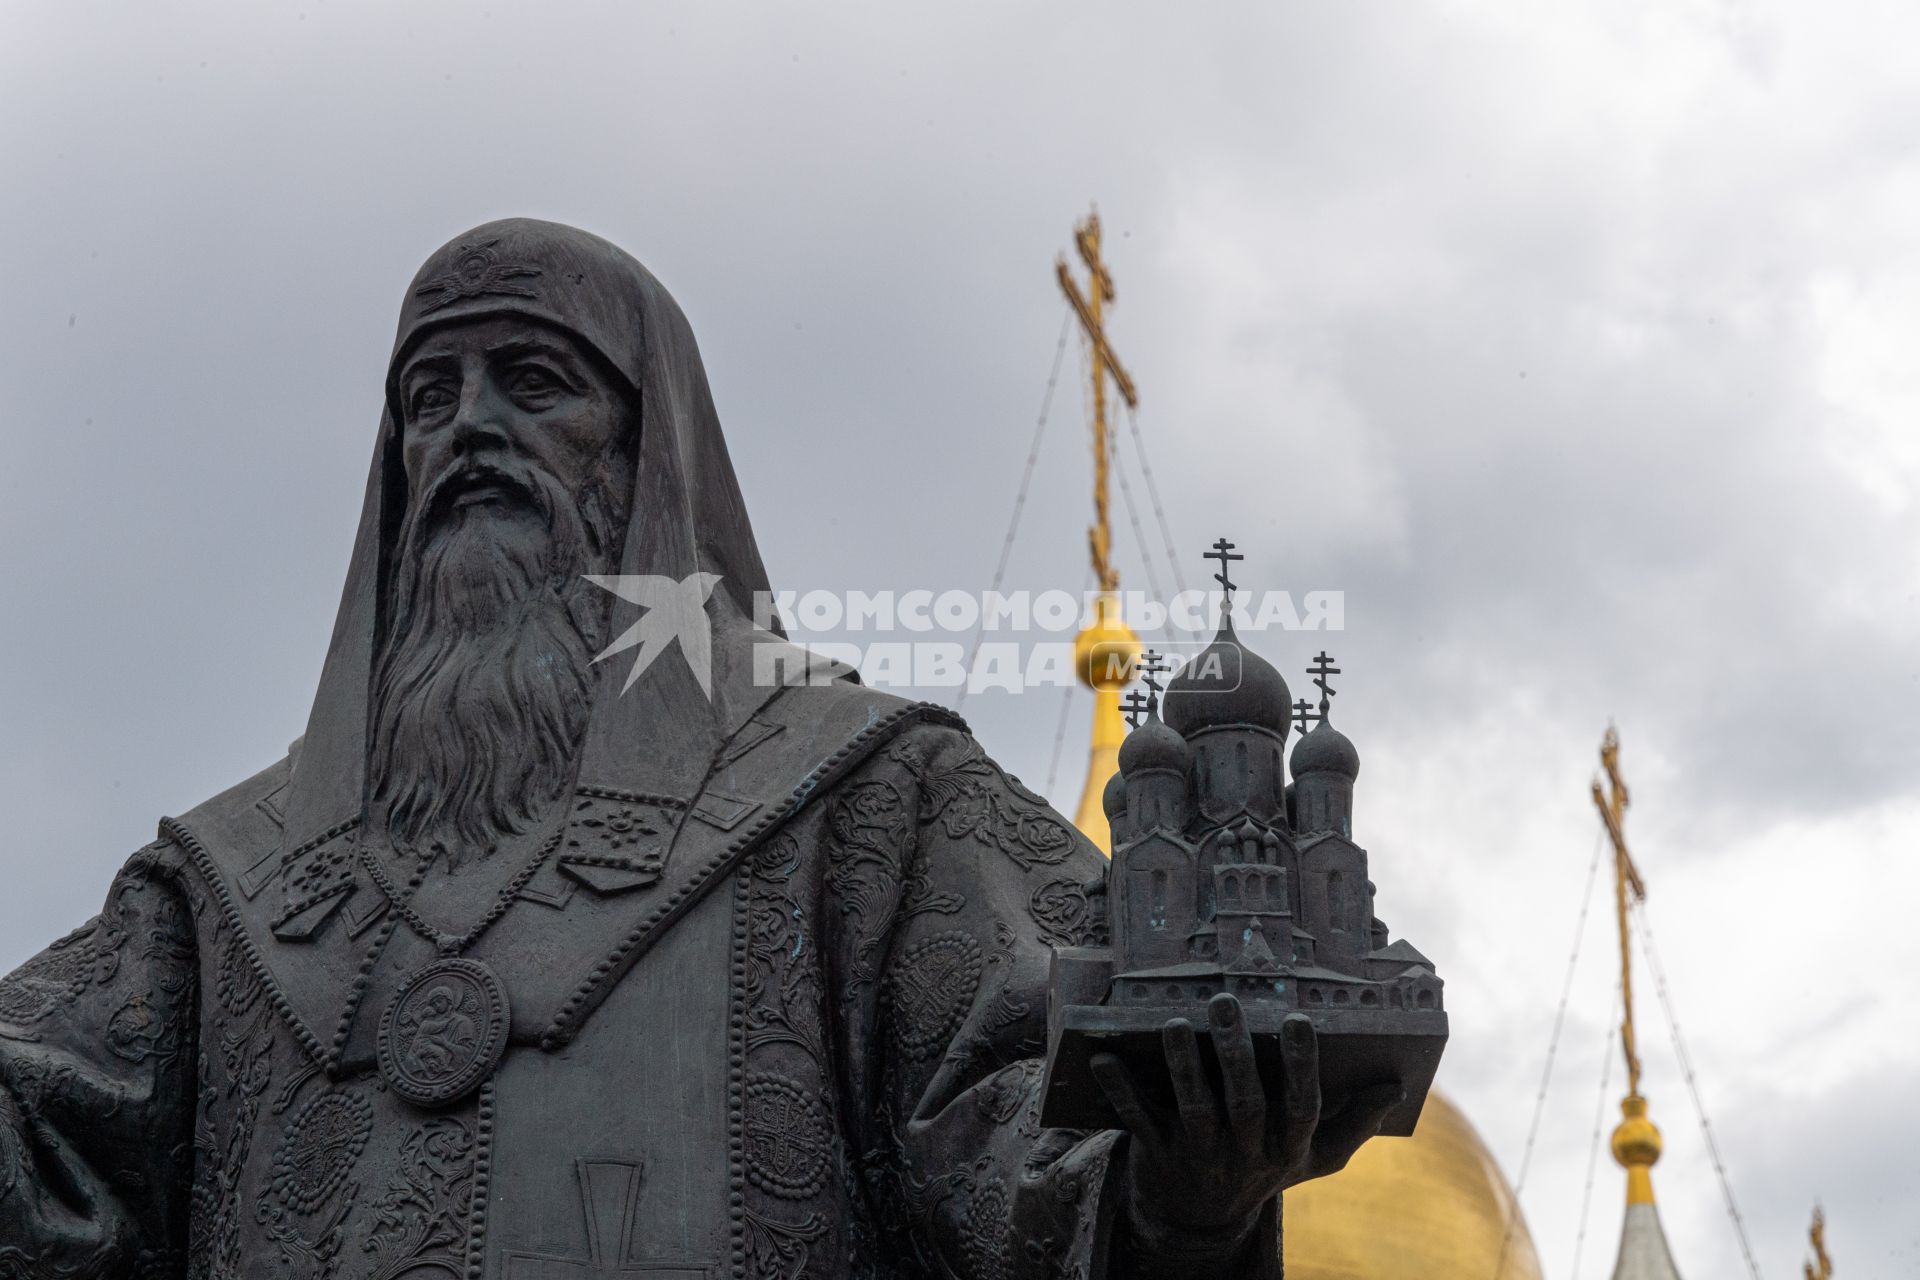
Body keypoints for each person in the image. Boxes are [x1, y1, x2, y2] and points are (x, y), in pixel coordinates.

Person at [0, 220, 1395, 1279]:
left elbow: (1048, 1146)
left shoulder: (866, 806)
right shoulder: (221, 896)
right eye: (429, 400)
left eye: (532, 382)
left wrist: (1184, 1192)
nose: (470, 428)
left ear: (646, 455)